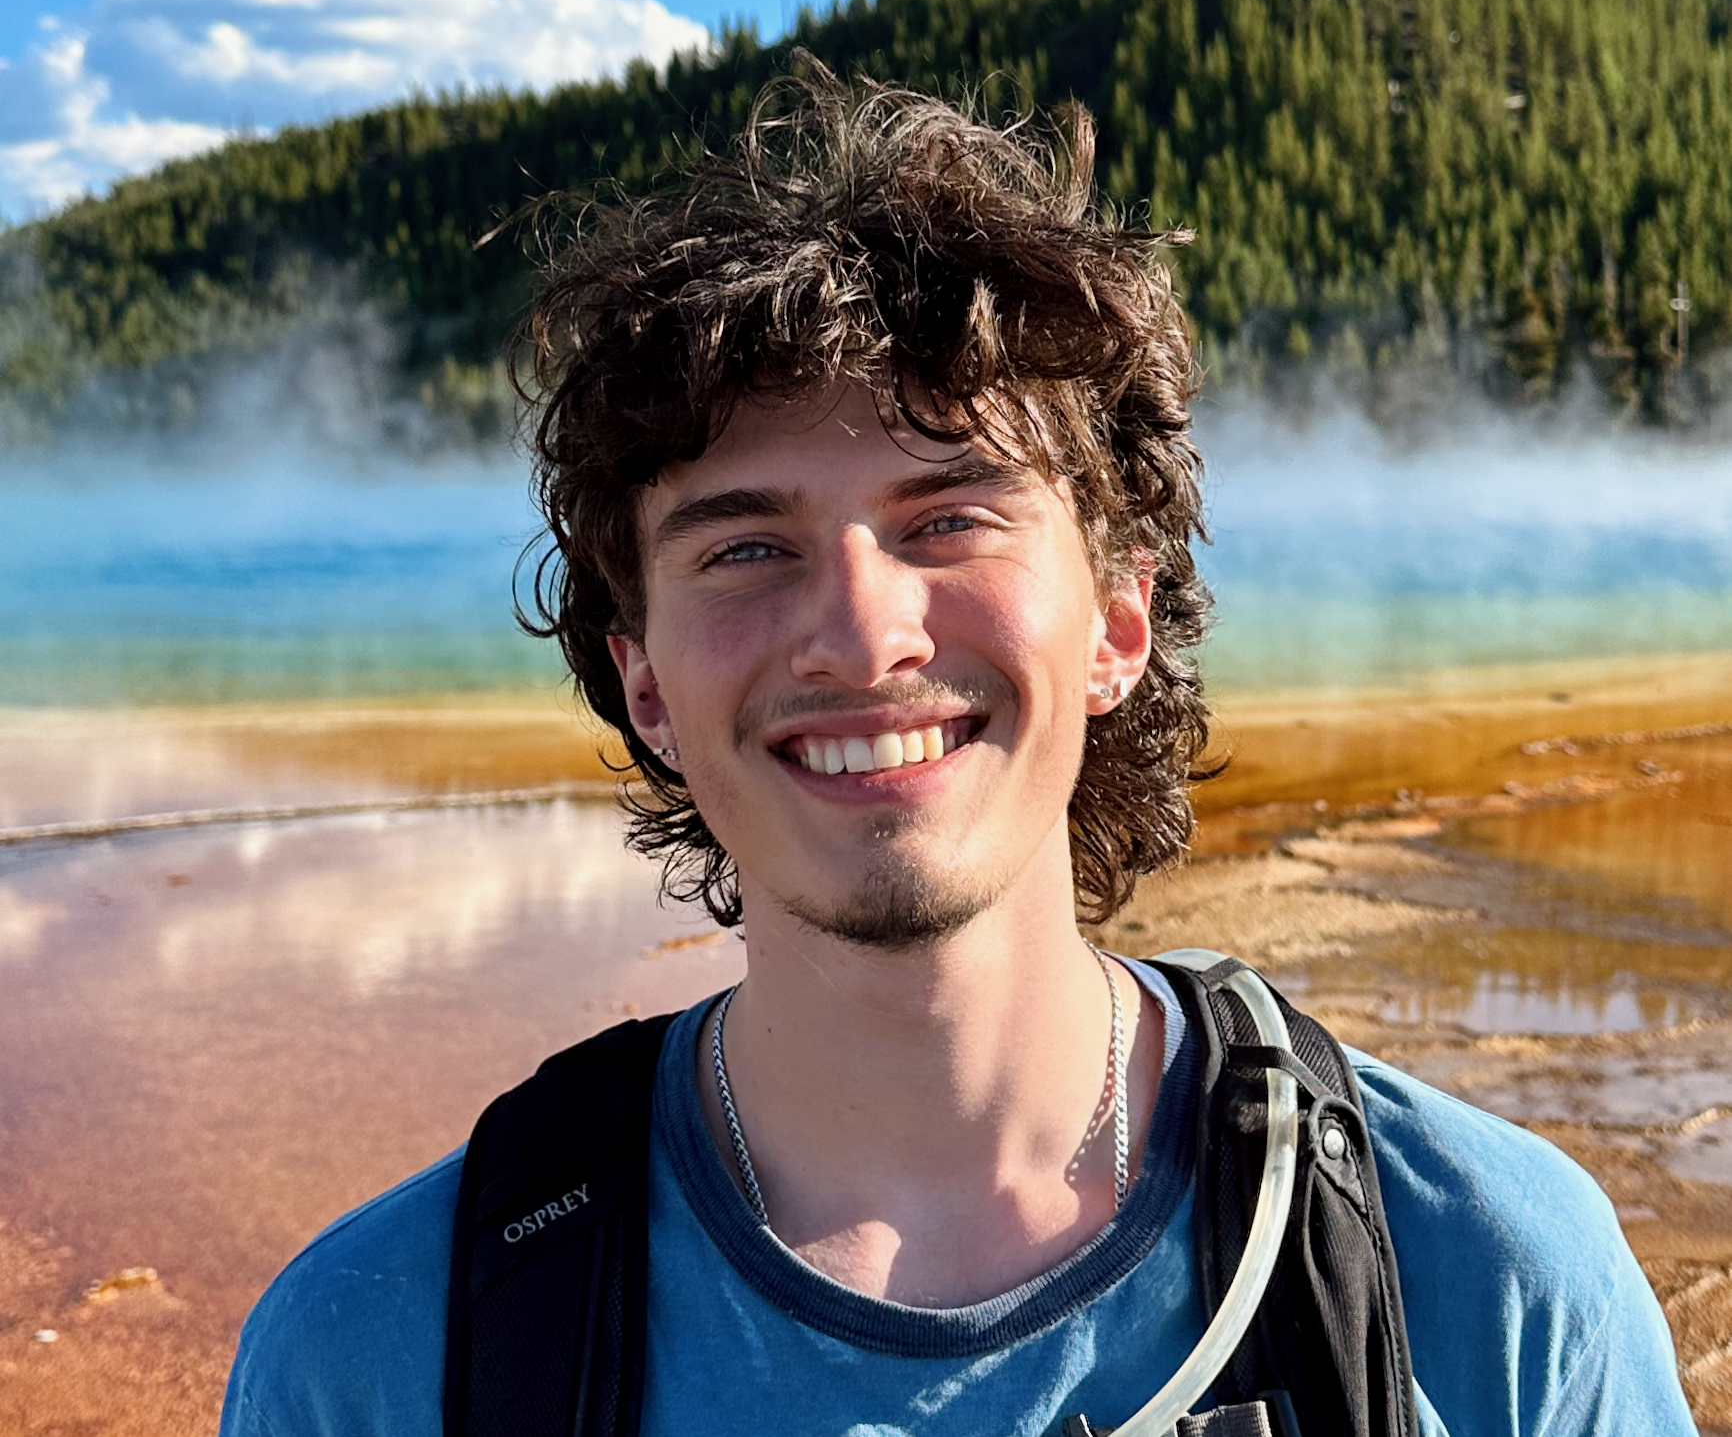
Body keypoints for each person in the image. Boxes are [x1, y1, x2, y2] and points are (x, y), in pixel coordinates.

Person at [219, 70, 1693, 1437]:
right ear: (645, 683)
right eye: (744, 547)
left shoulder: (1483, 1286)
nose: (861, 637)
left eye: (950, 519)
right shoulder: (384, 1353)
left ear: (1118, 623)